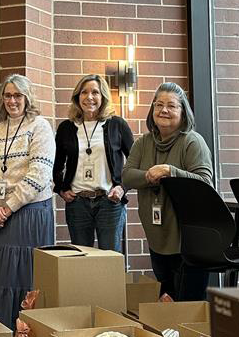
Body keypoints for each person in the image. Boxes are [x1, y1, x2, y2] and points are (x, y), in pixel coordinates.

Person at [122, 82, 213, 301]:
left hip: (189, 240)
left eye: (171, 106)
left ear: (183, 112)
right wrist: (148, 176)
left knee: (188, 306)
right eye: (159, 104)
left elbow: (204, 183)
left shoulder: (192, 141)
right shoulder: (143, 143)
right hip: (157, 236)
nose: (164, 110)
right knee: (167, 302)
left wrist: (170, 171)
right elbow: (126, 176)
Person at [0, 74, 55, 329]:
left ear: (27, 97)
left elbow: (39, 174)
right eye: (8, 95)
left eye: (18, 95)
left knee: (22, 277)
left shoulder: (40, 126)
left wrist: (8, 207)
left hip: (29, 212)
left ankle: (24, 336)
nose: (12, 100)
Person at [53, 74, 134, 252]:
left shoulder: (117, 125)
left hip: (109, 203)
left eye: (95, 92)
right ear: (77, 96)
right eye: (84, 92)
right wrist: (61, 188)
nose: (89, 97)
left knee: (110, 258)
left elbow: (135, 162)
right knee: (82, 258)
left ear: (103, 96)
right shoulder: (66, 128)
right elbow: (57, 164)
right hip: (77, 204)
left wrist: (122, 187)